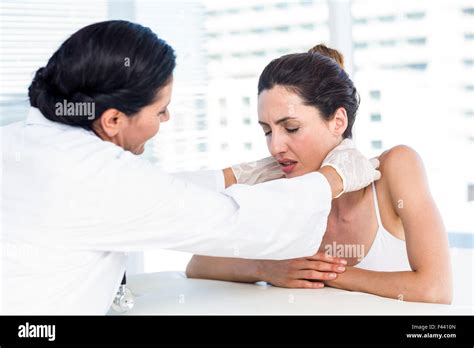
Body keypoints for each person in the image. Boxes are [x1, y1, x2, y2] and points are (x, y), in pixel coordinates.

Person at [0, 22, 380, 314]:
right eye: (159, 109)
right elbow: (234, 223)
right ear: (114, 120)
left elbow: (156, 191)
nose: (167, 118)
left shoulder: (23, 142)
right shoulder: (99, 177)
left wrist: (236, 175)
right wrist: (334, 177)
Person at [186, 44, 452, 304]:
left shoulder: (396, 167)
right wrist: (266, 269)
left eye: (290, 128)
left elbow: (434, 289)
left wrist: (326, 273)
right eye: (267, 131)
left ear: (338, 121)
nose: (275, 147)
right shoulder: (280, 185)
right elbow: (198, 263)